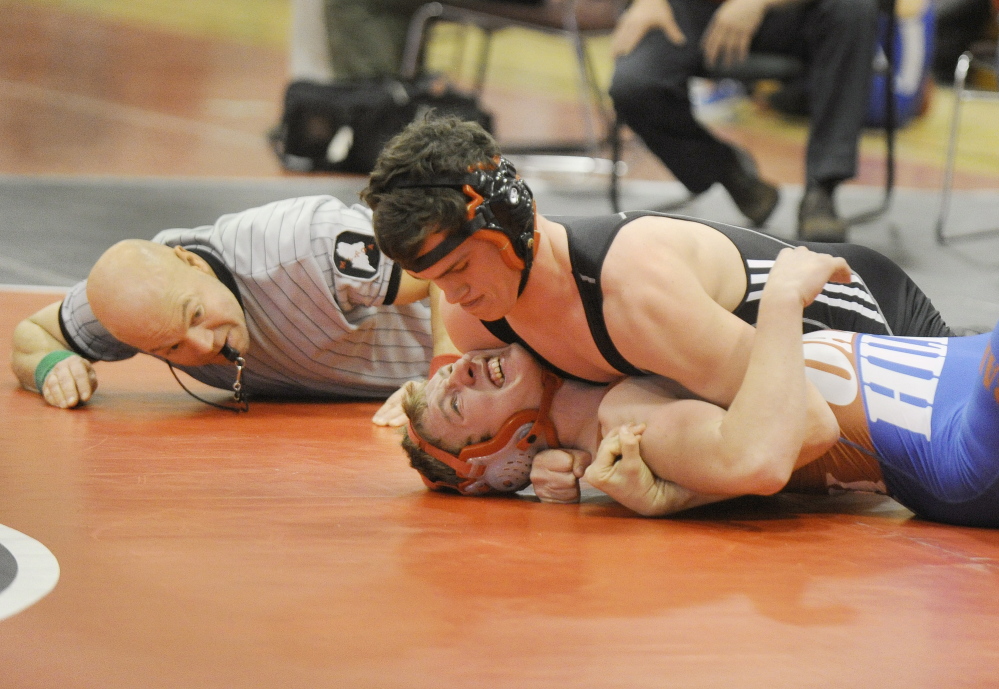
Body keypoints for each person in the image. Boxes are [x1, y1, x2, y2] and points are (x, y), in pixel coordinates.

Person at [363, 115, 953, 455]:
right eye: (434, 279)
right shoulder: (477, 319)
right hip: (777, 396)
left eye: (460, 269)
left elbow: (805, 427)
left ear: (507, 224)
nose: (454, 295)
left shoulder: (636, 290)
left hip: (860, 316)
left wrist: (667, 488)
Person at [399, 246, 999, 528]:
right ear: (514, 443)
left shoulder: (609, 375)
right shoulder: (625, 420)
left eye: (447, 372)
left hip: (952, 373)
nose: (461, 368)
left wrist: (673, 496)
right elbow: (755, 456)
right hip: (951, 444)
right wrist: (784, 303)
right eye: (456, 399)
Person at [11, 195, 437, 420]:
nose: (203, 345)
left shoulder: (304, 245)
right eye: (170, 350)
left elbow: (450, 269)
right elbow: (32, 334)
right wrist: (53, 366)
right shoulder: (132, 309)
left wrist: (447, 373)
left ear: (191, 260)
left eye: (194, 315)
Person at [607, 0, 880, 240]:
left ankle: (822, 190)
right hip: (691, 9)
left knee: (853, 6)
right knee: (634, 85)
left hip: (793, 12)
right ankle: (728, 171)